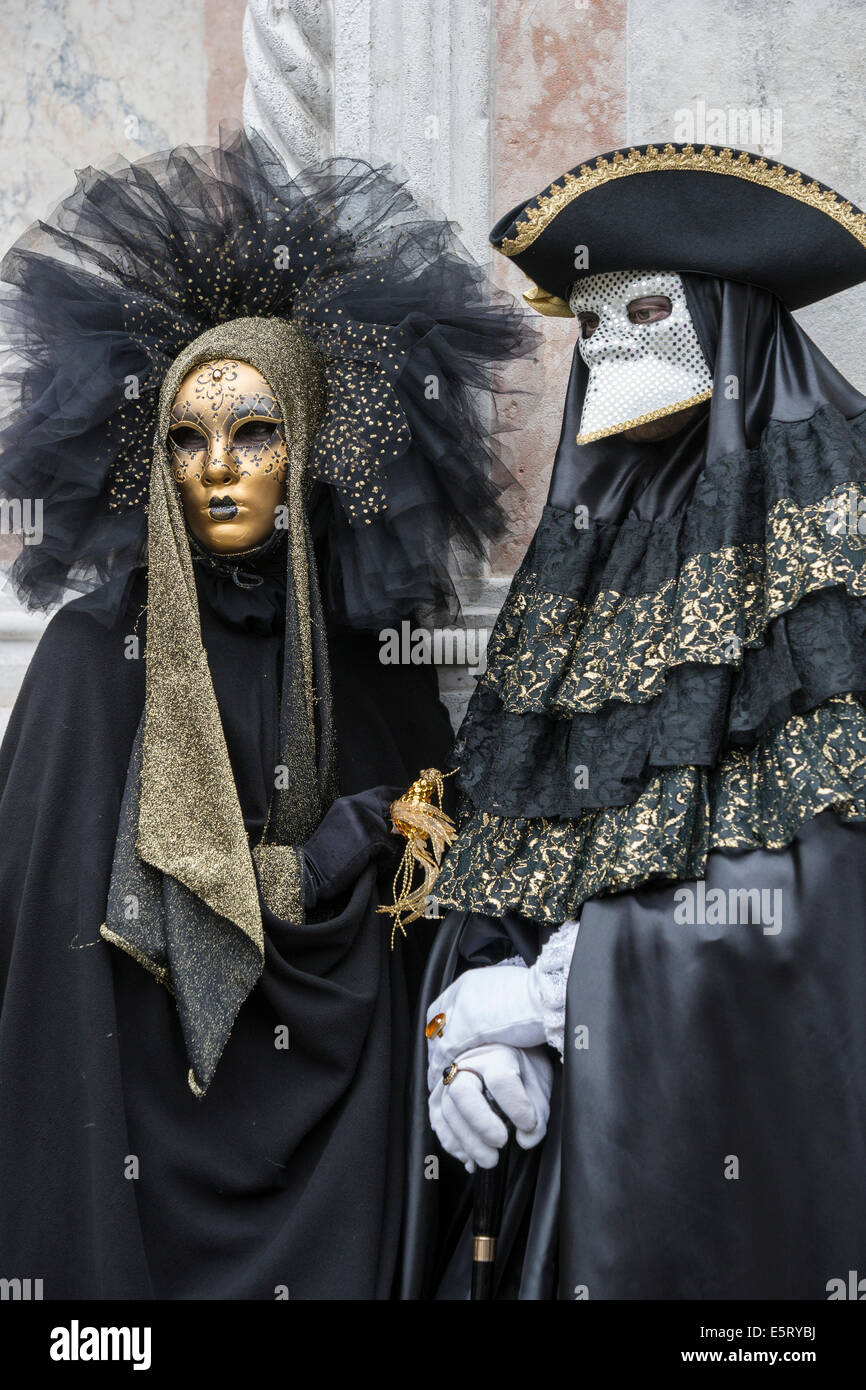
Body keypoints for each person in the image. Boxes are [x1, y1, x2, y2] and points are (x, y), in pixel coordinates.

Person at [0, 127, 532, 1300]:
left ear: (309, 444)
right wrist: (332, 850)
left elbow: (453, 914)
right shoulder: (94, 666)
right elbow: (45, 978)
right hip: (133, 1162)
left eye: (254, 432)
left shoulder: (375, 673)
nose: (219, 468)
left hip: (344, 1159)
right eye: (186, 439)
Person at [402, 142, 866, 1300]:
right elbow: (512, 843)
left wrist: (568, 995)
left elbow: (827, 891)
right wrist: (470, 1029)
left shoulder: (839, 528)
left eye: (642, 310)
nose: (607, 345)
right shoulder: (583, 562)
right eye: (589, 323)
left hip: (741, 1152)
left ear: (724, 312)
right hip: (566, 1157)